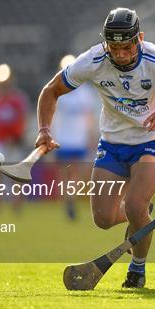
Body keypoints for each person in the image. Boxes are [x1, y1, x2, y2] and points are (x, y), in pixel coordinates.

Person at [35, 8, 155, 288]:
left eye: (127, 46)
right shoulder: (94, 60)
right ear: (105, 43)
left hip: (151, 139)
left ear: (140, 39)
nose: (121, 54)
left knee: (135, 207)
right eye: (115, 47)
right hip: (112, 143)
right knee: (103, 219)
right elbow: (50, 90)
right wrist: (44, 130)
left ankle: (137, 269)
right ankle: (141, 213)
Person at [50, 54, 97, 221]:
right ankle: (68, 203)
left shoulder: (85, 92)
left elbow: (89, 116)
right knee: (64, 174)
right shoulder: (56, 89)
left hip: (78, 138)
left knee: (78, 173)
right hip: (62, 138)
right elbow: (52, 116)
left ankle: (70, 200)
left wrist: (91, 136)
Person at [0, 63, 29, 217]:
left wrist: (19, 138)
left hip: (14, 143)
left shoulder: (18, 100)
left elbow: (23, 121)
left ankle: (17, 206)